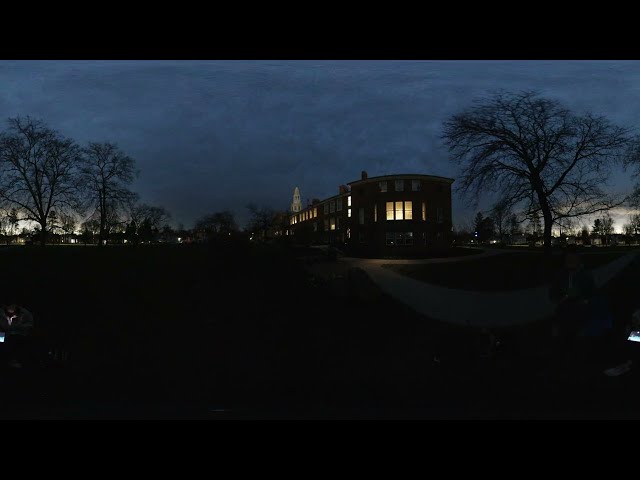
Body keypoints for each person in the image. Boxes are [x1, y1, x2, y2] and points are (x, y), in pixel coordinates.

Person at [548, 246, 597, 378]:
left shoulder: (586, 275)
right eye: (568, 259)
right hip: (562, 316)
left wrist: (583, 300)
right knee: (560, 346)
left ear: (578, 259)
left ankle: (579, 375)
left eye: (573, 259)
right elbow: (552, 294)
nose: (570, 261)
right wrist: (562, 297)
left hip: (580, 317)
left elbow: (592, 294)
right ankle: (560, 374)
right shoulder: (560, 275)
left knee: (579, 348)